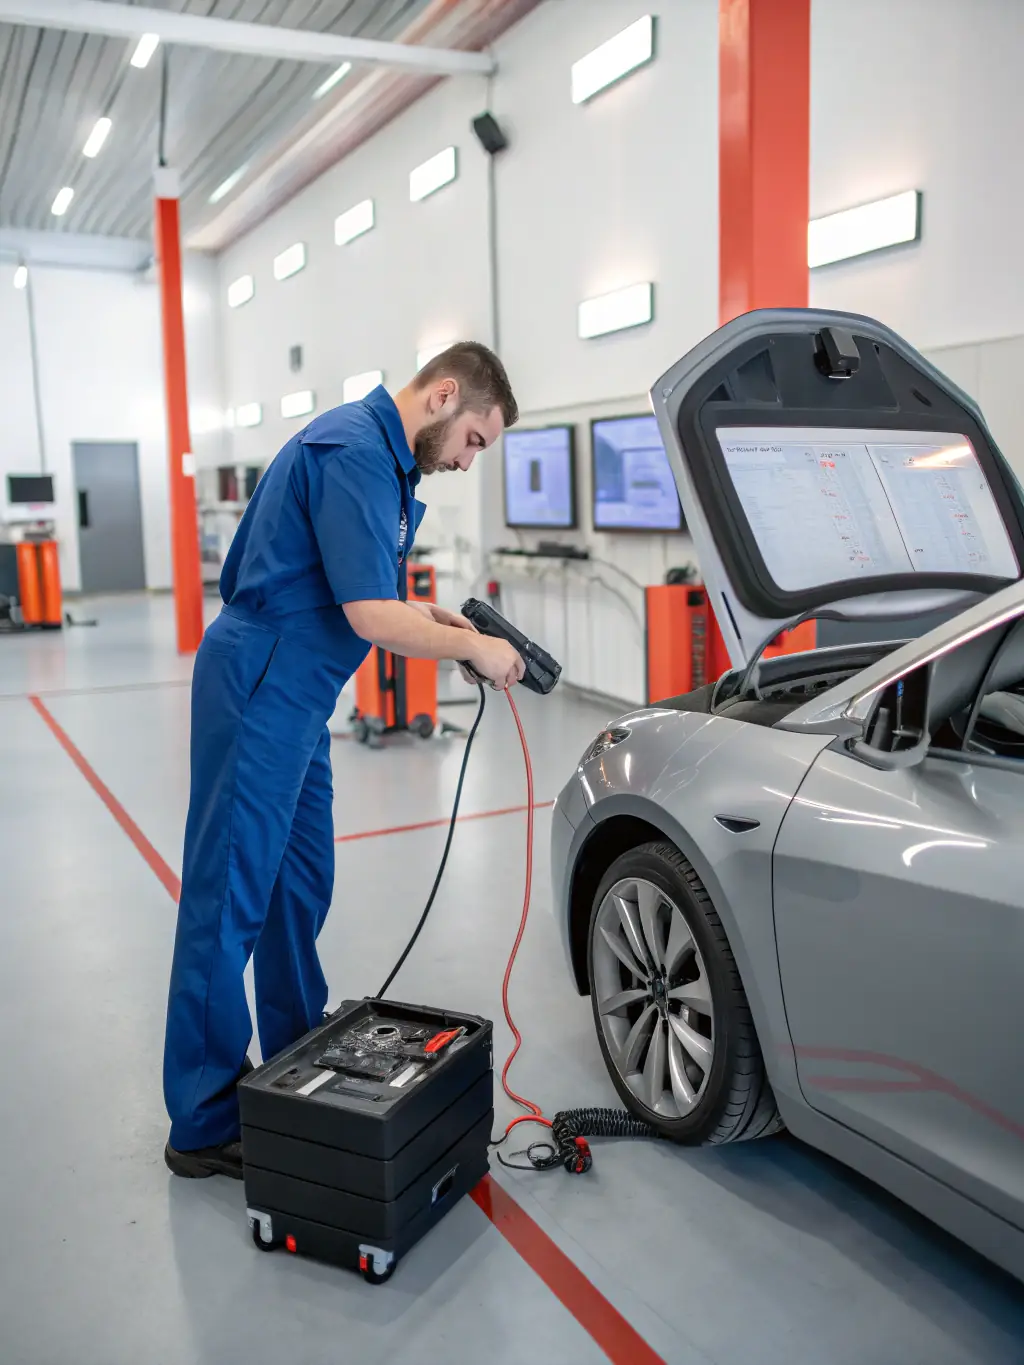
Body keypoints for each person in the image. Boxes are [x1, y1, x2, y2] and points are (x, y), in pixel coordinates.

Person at [163, 342, 523, 1178]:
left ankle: (292, 1055)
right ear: (444, 395)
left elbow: (360, 585)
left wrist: (435, 616)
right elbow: (367, 615)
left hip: (300, 695)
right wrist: (478, 651)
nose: (468, 461)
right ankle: (203, 1117)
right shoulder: (354, 450)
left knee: (297, 885)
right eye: (474, 440)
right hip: (262, 682)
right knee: (229, 899)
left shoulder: (387, 462)